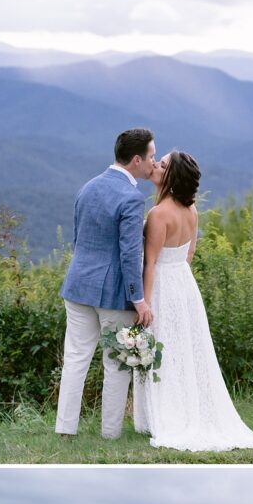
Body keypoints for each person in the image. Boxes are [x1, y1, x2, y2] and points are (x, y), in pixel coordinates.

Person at [133, 150, 253, 452]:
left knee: (165, 348)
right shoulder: (192, 211)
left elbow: (150, 262)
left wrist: (144, 302)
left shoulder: (159, 214)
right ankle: (182, 409)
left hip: (163, 284)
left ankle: (166, 416)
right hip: (184, 284)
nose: (156, 166)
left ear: (171, 177)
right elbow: (189, 254)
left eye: (162, 164)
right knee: (182, 349)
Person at [55, 128, 156, 439]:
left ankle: (65, 429)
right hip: (112, 292)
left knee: (75, 358)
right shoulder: (132, 197)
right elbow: (130, 254)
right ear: (136, 160)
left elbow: (78, 238)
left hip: (78, 284)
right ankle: (110, 433)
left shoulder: (87, 187)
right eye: (151, 157)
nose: (153, 163)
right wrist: (138, 299)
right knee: (116, 363)